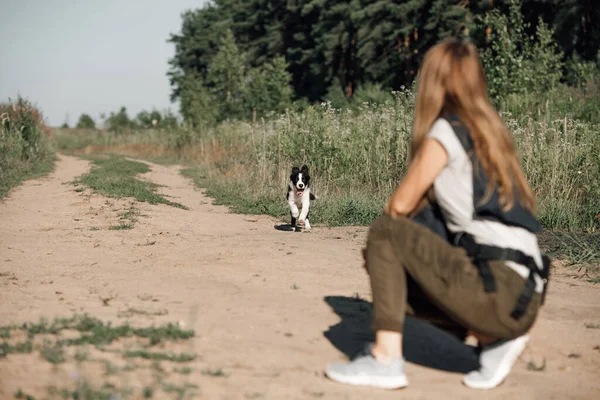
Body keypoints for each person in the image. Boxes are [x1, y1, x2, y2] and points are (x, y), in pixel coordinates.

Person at [324, 38, 550, 390]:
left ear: (433, 81)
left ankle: (385, 359)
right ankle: (494, 341)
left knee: (385, 232)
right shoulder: (492, 136)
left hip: (498, 288)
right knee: (403, 265)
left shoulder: (447, 130)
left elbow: (397, 207)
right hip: (526, 294)